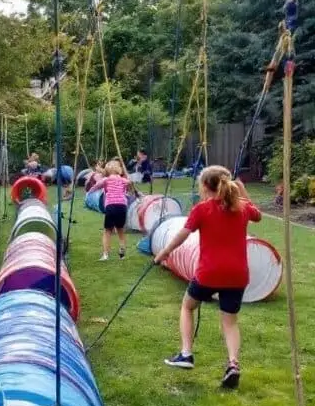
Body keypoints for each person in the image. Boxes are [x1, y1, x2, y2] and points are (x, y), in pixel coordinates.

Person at [154, 166, 262, 389]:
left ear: (204, 186)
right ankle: (233, 364)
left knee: (187, 307)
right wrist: (243, 192)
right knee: (230, 322)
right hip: (237, 274)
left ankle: (186, 354)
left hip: (209, 273)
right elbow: (257, 215)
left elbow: (183, 234)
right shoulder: (242, 208)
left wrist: (164, 253)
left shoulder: (202, 209)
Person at [88, 159, 130, 261]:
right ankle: (122, 252)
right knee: (120, 230)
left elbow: (96, 186)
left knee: (107, 231)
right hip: (122, 206)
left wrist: (89, 192)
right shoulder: (124, 180)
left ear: (108, 170)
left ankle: (105, 254)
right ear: (119, 169)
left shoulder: (106, 180)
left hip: (111, 206)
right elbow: (128, 185)